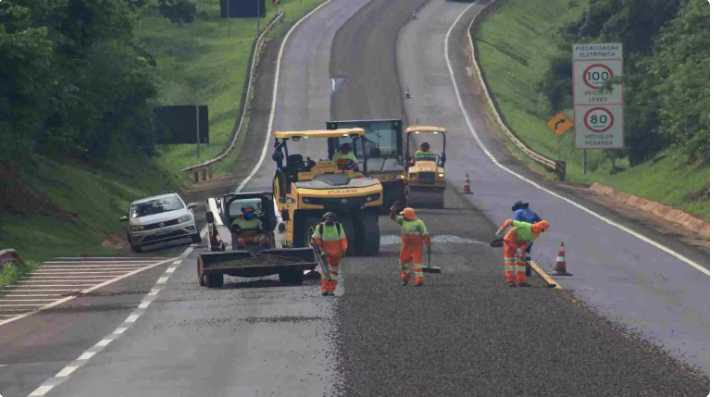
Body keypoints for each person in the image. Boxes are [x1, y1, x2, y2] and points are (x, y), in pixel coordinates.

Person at [495, 218, 550, 287]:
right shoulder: (525, 226)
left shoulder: (536, 235)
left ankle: (522, 281)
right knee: (509, 261)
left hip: (519, 243)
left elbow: (526, 243)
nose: (542, 232)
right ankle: (510, 280)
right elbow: (509, 221)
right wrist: (501, 230)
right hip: (510, 240)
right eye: (542, 230)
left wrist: (521, 251)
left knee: (521, 261)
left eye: (543, 231)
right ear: (539, 226)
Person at [389, 203, 431, 287]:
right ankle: (405, 278)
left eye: (404, 214)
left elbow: (425, 235)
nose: (402, 215)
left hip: (416, 248)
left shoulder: (419, 223)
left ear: (408, 215)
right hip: (405, 248)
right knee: (403, 263)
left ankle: (419, 281)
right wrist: (392, 210)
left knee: (417, 264)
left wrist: (428, 245)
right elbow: (392, 217)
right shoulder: (402, 220)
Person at [312, 212, 348, 296]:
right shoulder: (320, 227)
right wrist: (322, 251)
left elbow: (343, 238)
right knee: (325, 272)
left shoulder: (338, 226)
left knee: (334, 273)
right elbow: (317, 240)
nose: (329, 223)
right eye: (327, 221)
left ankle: (331, 290)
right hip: (325, 254)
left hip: (336, 254)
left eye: (330, 221)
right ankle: (325, 289)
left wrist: (344, 249)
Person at [511, 201, 542, 277]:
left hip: (521, 235)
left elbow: (515, 223)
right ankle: (527, 270)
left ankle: (520, 271)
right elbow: (541, 223)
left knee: (519, 252)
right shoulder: (532, 213)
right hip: (530, 235)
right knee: (527, 251)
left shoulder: (518, 212)